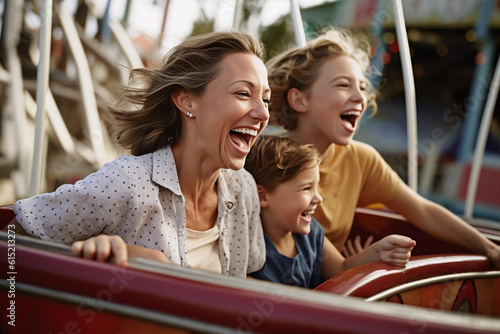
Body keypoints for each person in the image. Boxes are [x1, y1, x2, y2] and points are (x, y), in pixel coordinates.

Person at [6, 31, 271, 277]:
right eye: (243, 93)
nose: (263, 114)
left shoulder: (243, 189)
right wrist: (91, 252)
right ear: (187, 101)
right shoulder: (126, 182)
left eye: (266, 99)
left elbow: (244, 279)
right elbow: (10, 238)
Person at [265, 28, 500, 266]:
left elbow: (423, 210)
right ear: (299, 100)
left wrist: (490, 248)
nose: (360, 98)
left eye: (363, 87)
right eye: (343, 85)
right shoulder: (268, 160)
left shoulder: (360, 159)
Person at [244, 135, 415, 288]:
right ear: (263, 196)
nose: (318, 198)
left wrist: (378, 251)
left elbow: (341, 269)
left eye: (316, 187)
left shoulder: (312, 232)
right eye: (306, 188)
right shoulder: (245, 244)